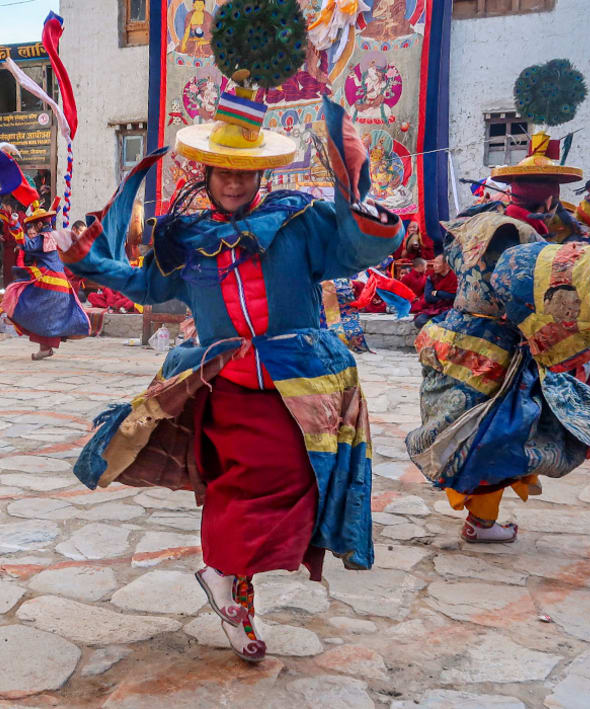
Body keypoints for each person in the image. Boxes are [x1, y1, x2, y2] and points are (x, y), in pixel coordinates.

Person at [58, 78, 402, 661]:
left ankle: (233, 583)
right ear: (208, 176)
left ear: (261, 175)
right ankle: (224, 575)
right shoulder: (186, 240)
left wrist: (361, 206)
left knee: (299, 480)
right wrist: (87, 260)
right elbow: (147, 284)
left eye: (245, 171)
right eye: (224, 171)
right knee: (246, 481)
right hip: (231, 383)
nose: (236, 181)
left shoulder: (300, 222)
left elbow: (357, 250)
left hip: (300, 382)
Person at [408, 126, 590, 544]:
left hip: (456, 333)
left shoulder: (475, 222)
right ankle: (481, 523)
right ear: (552, 195)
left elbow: (451, 266)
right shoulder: (525, 239)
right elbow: (548, 295)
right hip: (500, 347)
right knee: (501, 434)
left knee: (471, 426)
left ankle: (478, 515)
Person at [0, 203, 91, 360]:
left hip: (48, 283)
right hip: (62, 284)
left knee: (18, 291)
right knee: (45, 317)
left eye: (35, 225)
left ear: (41, 224)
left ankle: (13, 316)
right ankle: (45, 348)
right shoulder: (57, 236)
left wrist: (14, 225)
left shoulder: (43, 238)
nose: (34, 229)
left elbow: (26, 245)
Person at [412, 255, 457, 328]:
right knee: (419, 321)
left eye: (437, 263)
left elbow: (456, 297)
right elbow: (428, 298)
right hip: (435, 308)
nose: (434, 266)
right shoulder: (431, 277)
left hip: (451, 308)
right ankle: (437, 326)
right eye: (434, 263)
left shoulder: (455, 277)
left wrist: (438, 293)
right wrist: (446, 297)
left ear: (446, 264)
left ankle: (435, 325)